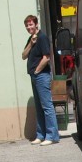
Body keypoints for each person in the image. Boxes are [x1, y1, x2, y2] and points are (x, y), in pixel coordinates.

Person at [22, 14, 58, 145]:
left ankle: (51, 136)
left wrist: (37, 71)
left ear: (36, 24)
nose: (28, 27)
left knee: (47, 106)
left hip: (41, 76)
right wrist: (31, 44)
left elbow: (46, 57)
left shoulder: (42, 37)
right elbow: (23, 55)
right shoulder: (31, 39)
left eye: (31, 24)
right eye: (26, 25)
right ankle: (41, 135)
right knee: (39, 107)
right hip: (34, 76)